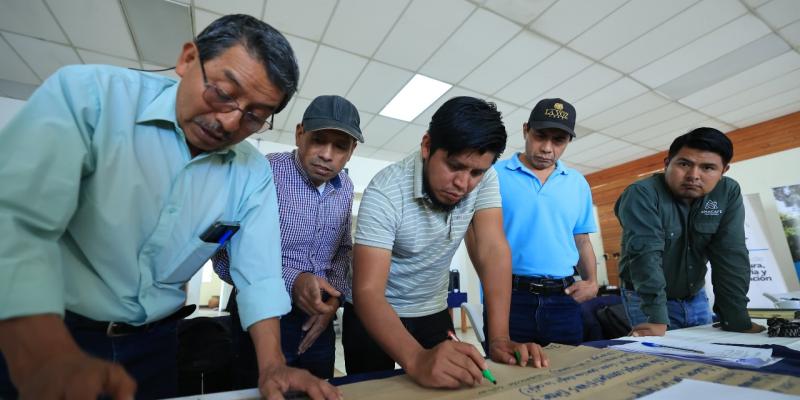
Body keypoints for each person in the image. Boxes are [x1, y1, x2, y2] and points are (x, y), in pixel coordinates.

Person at [0, 14, 340, 400]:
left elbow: (259, 275)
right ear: (187, 59)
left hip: (157, 345)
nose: (229, 122)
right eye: (223, 93)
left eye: (254, 116)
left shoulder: (252, 171)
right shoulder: (91, 98)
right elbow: (16, 223)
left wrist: (273, 364)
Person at [343, 96, 549, 390]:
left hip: (432, 309)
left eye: (475, 172)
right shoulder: (385, 191)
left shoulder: (486, 179)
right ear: (427, 146)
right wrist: (416, 359)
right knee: (375, 393)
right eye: (454, 166)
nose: (463, 184)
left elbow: (493, 250)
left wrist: (499, 339)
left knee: (457, 386)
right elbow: (367, 291)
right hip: (375, 312)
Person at [212, 95, 362, 383]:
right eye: (319, 140)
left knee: (318, 389)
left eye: (340, 146)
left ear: (351, 151)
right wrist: (294, 281)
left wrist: (334, 301)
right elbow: (224, 253)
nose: (327, 155)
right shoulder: (263, 173)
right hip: (259, 317)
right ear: (299, 133)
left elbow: (343, 250)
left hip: (318, 320)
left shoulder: (345, 188)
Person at [615, 127, 766, 337]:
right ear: (667, 163)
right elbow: (645, 256)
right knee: (664, 361)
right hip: (645, 297)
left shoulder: (727, 192)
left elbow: (731, 254)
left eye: (708, 167)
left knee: (710, 356)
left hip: (695, 295)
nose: (693, 176)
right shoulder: (641, 194)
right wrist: (656, 318)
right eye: (684, 164)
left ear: (723, 171)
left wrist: (735, 317)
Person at [492, 98, 598, 346]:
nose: (547, 148)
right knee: (509, 374)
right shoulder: (494, 175)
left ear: (568, 142)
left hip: (564, 298)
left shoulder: (577, 183)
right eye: (540, 136)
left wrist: (592, 282)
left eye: (558, 140)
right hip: (509, 295)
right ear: (525, 130)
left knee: (567, 371)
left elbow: (582, 239)